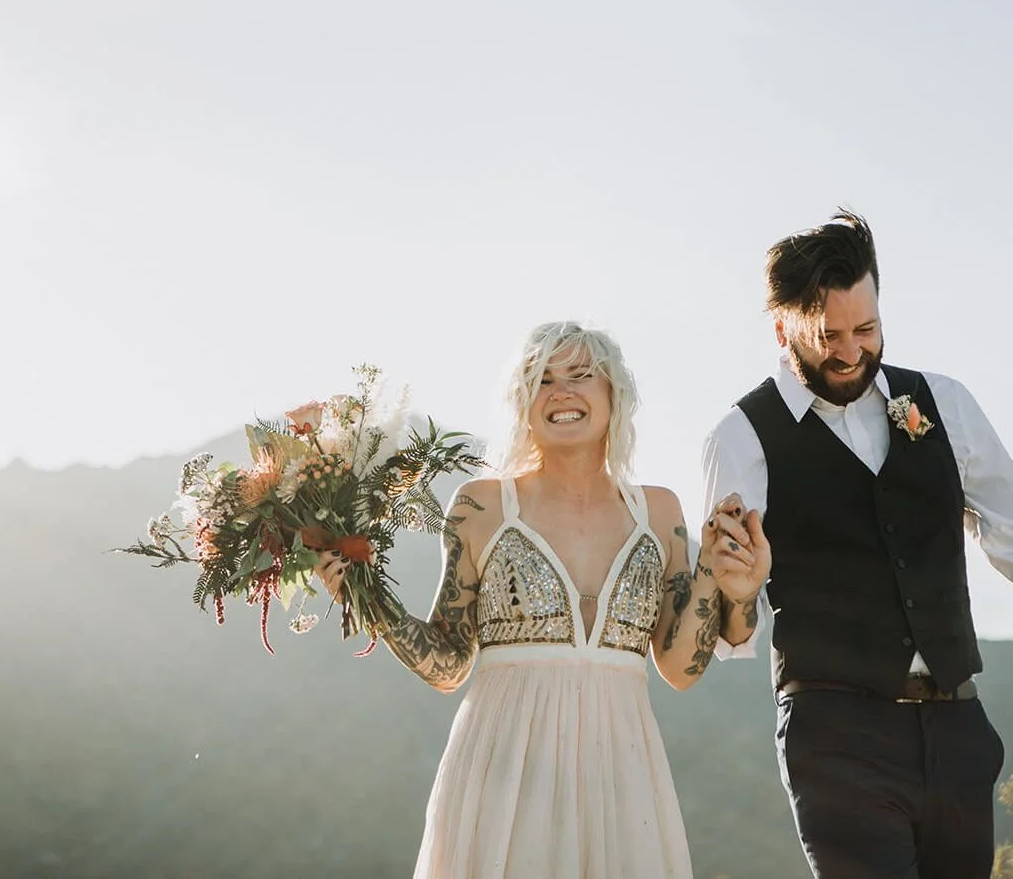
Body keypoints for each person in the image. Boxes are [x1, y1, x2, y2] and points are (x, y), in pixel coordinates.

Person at [703, 210, 1013, 879]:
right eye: (829, 336)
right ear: (783, 326)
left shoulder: (944, 404)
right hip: (835, 735)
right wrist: (735, 594)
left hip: (957, 731)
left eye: (867, 329)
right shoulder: (741, 437)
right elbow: (730, 628)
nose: (851, 351)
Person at [317, 321, 762, 879]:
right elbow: (450, 663)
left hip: (621, 771)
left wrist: (730, 590)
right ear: (523, 400)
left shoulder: (661, 512)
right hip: (503, 768)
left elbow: (679, 666)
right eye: (543, 379)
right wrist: (368, 599)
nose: (562, 392)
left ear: (612, 395)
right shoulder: (480, 506)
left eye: (580, 376)